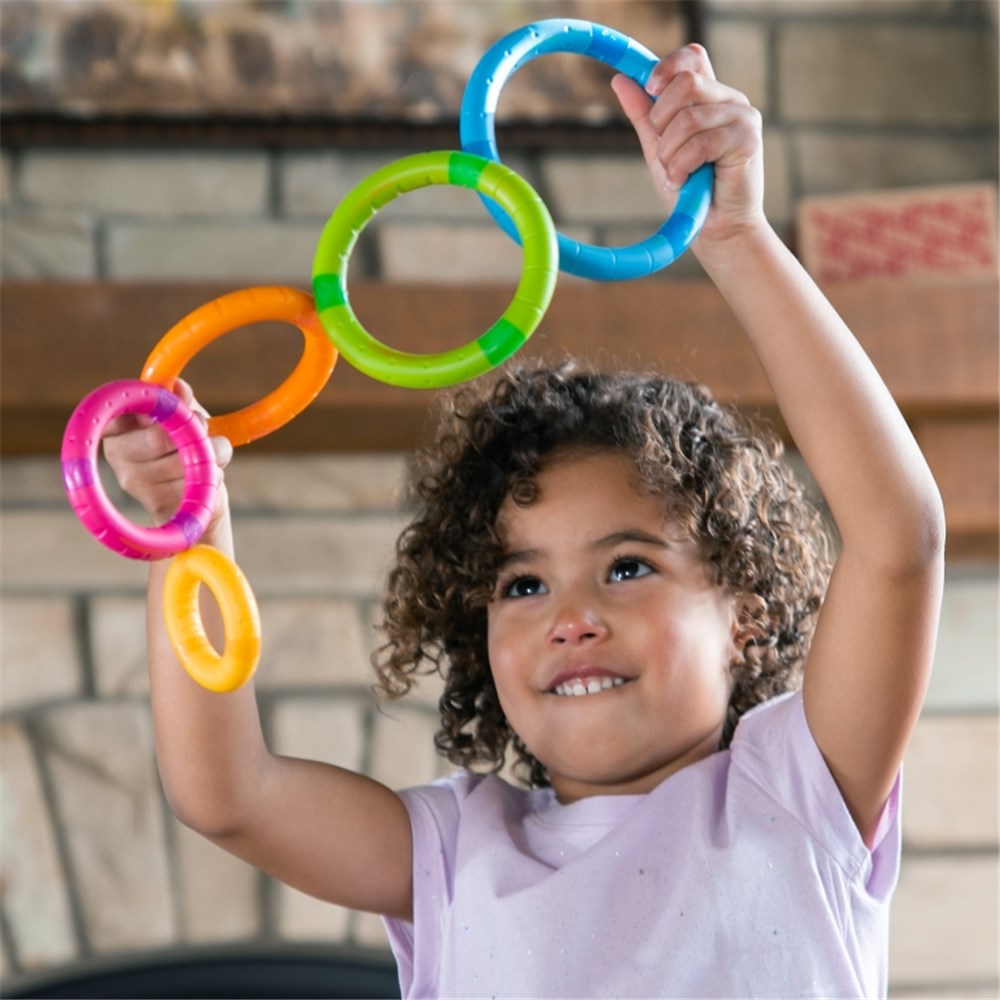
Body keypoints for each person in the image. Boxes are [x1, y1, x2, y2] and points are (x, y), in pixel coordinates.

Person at [103, 44, 945, 999]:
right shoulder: (458, 853)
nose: (569, 615)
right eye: (522, 583)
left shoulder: (798, 789)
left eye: (627, 566)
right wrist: (189, 531)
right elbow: (228, 794)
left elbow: (897, 540)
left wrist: (737, 237)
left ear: (743, 612)